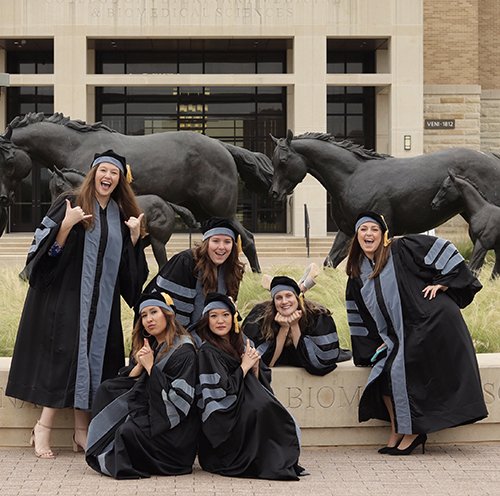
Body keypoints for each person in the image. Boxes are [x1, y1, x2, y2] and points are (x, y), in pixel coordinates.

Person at [6, 150, 148, 459]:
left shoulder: (122, 216)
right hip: (66, 301)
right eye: (103, 170)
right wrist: (67, 226)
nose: (107, 176)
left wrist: (135, 239)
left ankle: (82, 434)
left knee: (96, 368)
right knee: (63, 361)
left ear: (121, 179)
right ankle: (41, 428)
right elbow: (44, 255)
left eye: (114, 172)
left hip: (103, 307)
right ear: (93, 173)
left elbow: (129, 279)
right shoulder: (71, 203)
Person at [345, 211, 488, 455]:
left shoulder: (401, 249)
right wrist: (378, 343)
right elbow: (362, 317)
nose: (369, 234)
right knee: (382, 372)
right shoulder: (358, 275)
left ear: (383, 234)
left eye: (374, 229)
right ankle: (399, 430)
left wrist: (445, 282)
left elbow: (443, 248)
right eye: (363, 229)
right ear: (356, 235)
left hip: (432, 322)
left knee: (396, 370)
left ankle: (412, 433)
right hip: (403, 333)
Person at [86, 293, 199, 479]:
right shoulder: (155, 345)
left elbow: (178, 403)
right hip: (155, 412)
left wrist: (150, 367)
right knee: (106, 389)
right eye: (144, 315)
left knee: (126, 431)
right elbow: (134, 384)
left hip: (174, 431)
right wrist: (140, 366)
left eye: (154, 312)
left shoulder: (184, 351)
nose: (148, 319)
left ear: (168, 314)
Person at [196, 292, 304, 480]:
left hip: (244, 405)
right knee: (260, 409)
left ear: (233, 318)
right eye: (213, 316)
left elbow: (257, 383)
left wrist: (253, 367)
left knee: (267, 408)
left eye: (225, 315)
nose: (220, 321)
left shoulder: (242, 343)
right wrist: (244, 366)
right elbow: (221, 391)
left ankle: (271, 459)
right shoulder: (207, 351)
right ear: (207, 321)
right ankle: (261, 459)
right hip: (225, 421)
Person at [144, 217, 245, 330]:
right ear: (206, 243)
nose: (221, 247)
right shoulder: (186, 262)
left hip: (211, 334)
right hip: (175, 332)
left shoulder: (232, 268)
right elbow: (169, 309)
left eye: (227, 241)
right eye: (216, 241)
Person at [243, 273, 350, 376]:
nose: (284, 301)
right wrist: (284, 328)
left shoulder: (318, 316)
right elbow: (268, 363)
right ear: (274, 302)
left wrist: (294, 326)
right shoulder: (261, 317)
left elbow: (318, 365)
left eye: (289, 296)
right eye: (278, 297)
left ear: (297, 298)